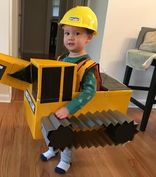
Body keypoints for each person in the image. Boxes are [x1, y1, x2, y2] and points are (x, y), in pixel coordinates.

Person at [40, 6, 101, 174]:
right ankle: (53, 149)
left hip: (70, 107)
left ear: (89, 37)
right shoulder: (61, 58)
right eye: (67, 33)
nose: (70, 38)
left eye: (77, 33)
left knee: (64, 134)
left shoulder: (87, 65)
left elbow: (90, 92)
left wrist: (69, 108)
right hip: (54, 103)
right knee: (46, 127)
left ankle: (65, 160)